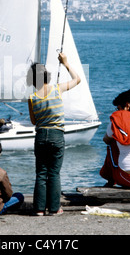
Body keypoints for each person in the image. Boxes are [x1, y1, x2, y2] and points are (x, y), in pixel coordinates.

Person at [27, 53, 81, 216]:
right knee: (54, 173)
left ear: (32, 79)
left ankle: (39, 209)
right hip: (57, 135)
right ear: (47, 76)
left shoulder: (32, 97)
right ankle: (54, 208)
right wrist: (65, 63)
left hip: (41, 135)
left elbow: (33, 121)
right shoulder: (57, 88)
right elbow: (77, 79)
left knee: (41, 173)